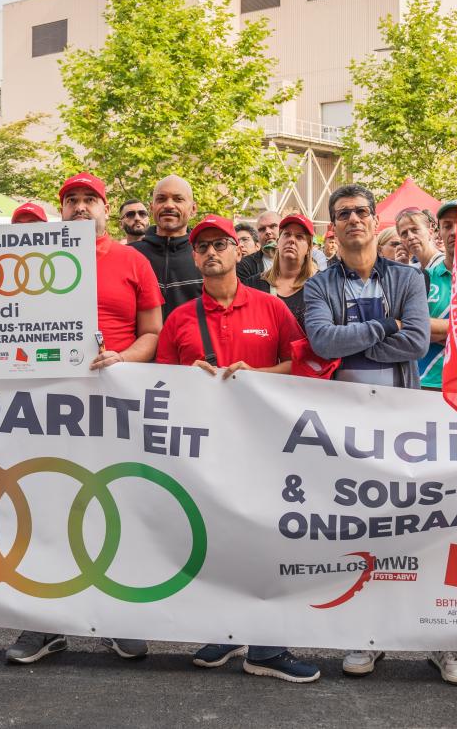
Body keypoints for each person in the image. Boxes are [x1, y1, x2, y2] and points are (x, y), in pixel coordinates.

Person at [5, 171, 163, 666]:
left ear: (105, 206)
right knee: (47, 503)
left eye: (88, 199)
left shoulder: (133, 260)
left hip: (112, 399)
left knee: (113, 500)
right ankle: (45, 624)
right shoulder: (32, 260)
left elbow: (152, 332)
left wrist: (124, 361)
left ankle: (117, 618)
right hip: (46, 400)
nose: (78, 207)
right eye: (69, 200)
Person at [153, 214, 320, 682]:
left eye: (219, 244)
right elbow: (162, 384)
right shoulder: (181, 319)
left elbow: (301, 365)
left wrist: (255, 377)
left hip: (265, 446)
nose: (210, 253)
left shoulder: (271, 308)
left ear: (237, 251)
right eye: (201, 246)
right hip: (207, 449)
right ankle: (227, 632)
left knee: (268, 539)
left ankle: (267, 647)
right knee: (218, 539)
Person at [301, 185, 452, 681]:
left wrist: (359, 340)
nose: (353, 220)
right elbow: (322, 343)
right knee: (358, 529)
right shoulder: (319, 285)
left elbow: (413, 343)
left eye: (361, 212)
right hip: (342, 426)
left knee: (419, 524)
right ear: (334, 227)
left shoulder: (406, 277)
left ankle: (442, 639)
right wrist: (379, 326)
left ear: (372, 219)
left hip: (401, 419)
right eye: (342, 214)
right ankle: (367, 637)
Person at [130, 175, 201, 316]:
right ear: (152, 207)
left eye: (178, 199)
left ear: (193, 209)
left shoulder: (205, 255)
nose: (168, 205)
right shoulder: (130, 255)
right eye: (161, 199)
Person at [398, 206, 451, 390]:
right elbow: (404, 328)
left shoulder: (448, 267)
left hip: (448, 376)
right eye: (404, 233)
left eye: (415, 229)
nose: (410, 236)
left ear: (430, 231)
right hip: (419, 376)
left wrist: (420, 328)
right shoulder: (414, 273)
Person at [242, 214, 318, 327]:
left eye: (299, 237)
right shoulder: (253, 285)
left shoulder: (321, 285)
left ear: (309, 248)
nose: (292, 240)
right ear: (278, 242)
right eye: (287, 234)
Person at [236, 211, 282, 282]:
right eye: (262, 229)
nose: (267, 231)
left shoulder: (299, 260)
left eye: (273, 226)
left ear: (283, 229)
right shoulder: (244, 265)